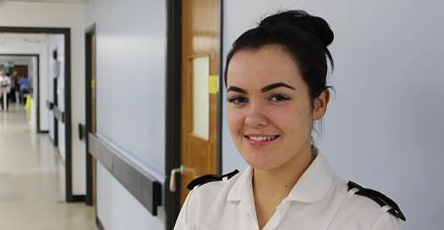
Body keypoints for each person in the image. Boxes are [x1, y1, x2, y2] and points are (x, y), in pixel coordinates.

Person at [174, 10, 405, 230]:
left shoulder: (367, 222)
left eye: (277, 97)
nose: (254, 118)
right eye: (238, 98)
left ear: (319, 103)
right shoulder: (201, 205)